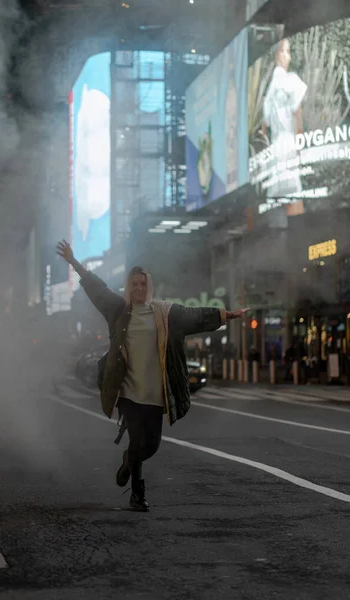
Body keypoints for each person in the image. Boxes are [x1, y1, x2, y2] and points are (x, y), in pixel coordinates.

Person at [57, 240, 250, 512]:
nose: (139, 288)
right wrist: (74, 262)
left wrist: (228, 315)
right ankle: (137, 495)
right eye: (134, 284)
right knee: (137, 441)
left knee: (151, 447)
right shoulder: (118, 310)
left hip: (155, 393)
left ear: (149, 287)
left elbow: (195, 316)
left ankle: (128, 461)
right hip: (129, 392)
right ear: (129, 287)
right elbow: (96, 287)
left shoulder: (165, 313)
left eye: (143, 284)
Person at [262, 38, 307, 199]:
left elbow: (263, 129)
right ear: (276, 55)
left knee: (275, 202)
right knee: (294, 199)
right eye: (285, 51)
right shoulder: (291, 81)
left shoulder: (269, 91)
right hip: (288, 146)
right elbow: (298, 119)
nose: (288, 57)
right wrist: (300, 147)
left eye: (288, 52)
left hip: (275, 151)